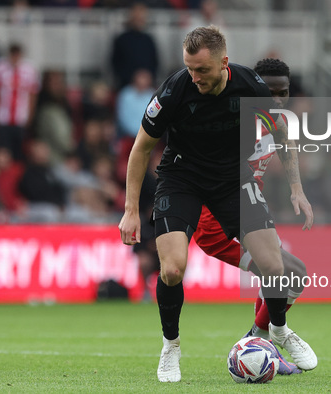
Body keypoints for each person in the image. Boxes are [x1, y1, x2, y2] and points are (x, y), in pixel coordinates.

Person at [118, 26, 317, 382]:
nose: (195, 77)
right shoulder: (175, 89)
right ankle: (171, 346)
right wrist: (131, 208)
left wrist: (296, 190)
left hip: (232, 182)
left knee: (276, 266)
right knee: (172, 270)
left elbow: (282, 135)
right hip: (181, 180)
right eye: (190, 68)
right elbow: (141, 148)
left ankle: (279, 331)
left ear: (224, 63)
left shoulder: (251, 86)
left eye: (202, 70)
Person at [191, 58, 307, 375]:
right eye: (268, 91)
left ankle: (260, 347)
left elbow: (286, 141)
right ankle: (259, 342)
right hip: (216, 226)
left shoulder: (277, 119)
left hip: (244, 212)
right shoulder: (232, 118)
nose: (276, 98)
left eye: (282, 92)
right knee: (288, 273)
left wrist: (297, 189)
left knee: (284, 275)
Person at [0, 43, 40, 162]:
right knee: (3, 152)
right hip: (3, 117)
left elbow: (33, 96)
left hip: (21, 118)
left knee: (19, 152)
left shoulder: (30, 70)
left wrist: (30, 116)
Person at [111, 2, 159, 90]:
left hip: (147, 87)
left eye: (142, 14)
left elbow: (155, 63)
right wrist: (133, 79)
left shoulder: (149, 40)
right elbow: (115, 64)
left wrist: (147, 78)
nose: (139, 17)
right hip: (127, 87)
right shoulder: (121, 39)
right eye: (136, 14)